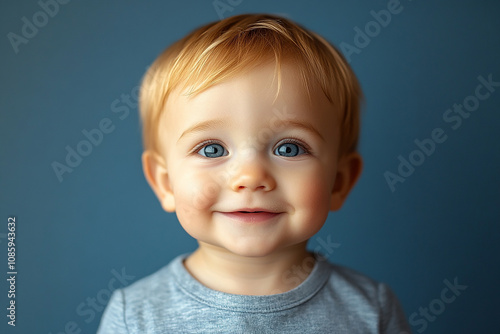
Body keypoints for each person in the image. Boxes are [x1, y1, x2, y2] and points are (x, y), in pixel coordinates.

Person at [97, 13, 411, 333]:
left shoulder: (371, 309)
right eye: (212, 150)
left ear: (339, 182)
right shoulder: (134, 316)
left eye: (289, 148)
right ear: (165, 183)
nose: (250, 176)